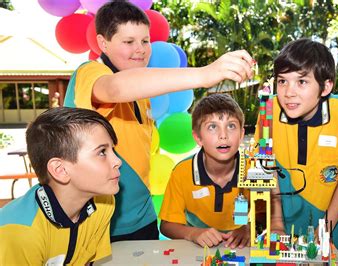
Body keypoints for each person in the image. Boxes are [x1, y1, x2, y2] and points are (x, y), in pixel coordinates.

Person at [63, 0, 254, 242]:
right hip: (96, 223)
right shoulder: (90, 72)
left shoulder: (142, 94)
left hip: (141, 219)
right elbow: (113, 89)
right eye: (128, 42)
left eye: (145, 41)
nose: (140, 49)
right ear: (103, 43)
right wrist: (205, 74)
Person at [257, 38, 338, 255]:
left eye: (301, 82)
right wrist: (277, 220)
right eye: (282, 81)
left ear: (326, 86)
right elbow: (266, 165)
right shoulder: (268, 109)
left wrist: (325, 229)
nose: (288, 92)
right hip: (283, 228)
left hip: (333, 225)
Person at [0, 107, 121, 265]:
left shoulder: (104, 204)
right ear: (60, 170)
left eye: (113, 149)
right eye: (102, 152)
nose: (118, 161)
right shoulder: (19, 233)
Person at [159, 94, 250, 249]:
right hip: (195, 251)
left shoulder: (253, 170)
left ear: (241, 134)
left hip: (240, 250)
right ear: (198, 138)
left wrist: (248, 228)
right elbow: (167, 225)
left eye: (231, 126)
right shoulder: (182, 172)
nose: (223, 136)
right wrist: (193, 233)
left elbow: (265, 213)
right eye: (212, 127)